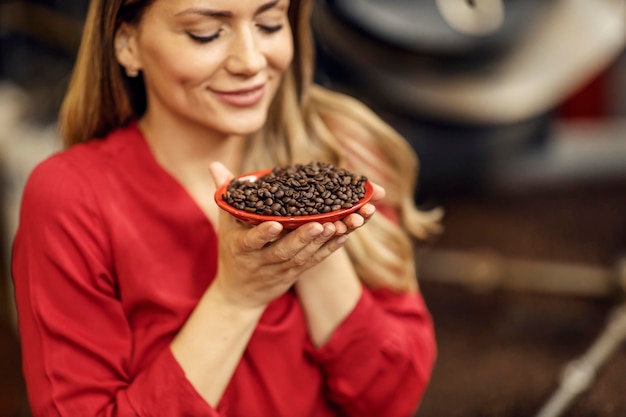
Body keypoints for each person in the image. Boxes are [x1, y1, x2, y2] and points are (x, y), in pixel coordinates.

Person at [11, 0, 443, 416]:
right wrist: (238, 298)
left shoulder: (339, 147)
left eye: (270, 23)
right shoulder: (72, 198)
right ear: (127, 43)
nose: (250, 61)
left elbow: (393, 398)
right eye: (206, 33)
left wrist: (314, 239)